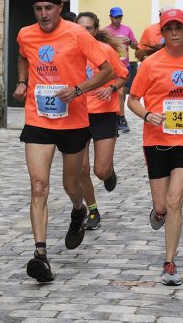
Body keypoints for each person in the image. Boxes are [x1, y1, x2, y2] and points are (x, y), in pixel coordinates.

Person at [13, 0, 113, 283]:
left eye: (48, 8)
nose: (43, 14)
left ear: (60, 7)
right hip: (38, 120)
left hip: (73, 122)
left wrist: (79, 89)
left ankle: (78, 210)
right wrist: (22, 82)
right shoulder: (25, 34)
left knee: (71, 183)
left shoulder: (78, 34)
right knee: (39, 186)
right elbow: (23, 56)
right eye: (38, 9)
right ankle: (40, 255)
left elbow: (106, 70)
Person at [127, 8, 183, 286]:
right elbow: (133, 99)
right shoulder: (150, 64)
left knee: (175, 200)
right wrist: (147, 115)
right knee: (162, 205)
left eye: (179, 27)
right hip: (156, 140)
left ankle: (170, 262)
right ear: (162, 33)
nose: (174, 32)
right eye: (169, 28)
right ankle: (159, 212)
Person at [75, 12, 129, 230]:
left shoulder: (105, 50)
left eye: (88, 28)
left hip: (103, 113)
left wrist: (111, 88)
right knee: (81, 168)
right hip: (77, 114)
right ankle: (93, 210)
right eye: (79, 27)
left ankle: (109, 171)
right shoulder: (70, 52)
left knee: (100, 170)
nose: (83, 32)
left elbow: (122, 75)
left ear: (95, 30)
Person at [104, 7, 138, 133]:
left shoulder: (127, 29)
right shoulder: (105, 31)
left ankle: (119, 116)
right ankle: (120, 118)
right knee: (119, 91)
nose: (118, 20)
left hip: (125, 66)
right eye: (115, 17)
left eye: (120, 17)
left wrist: (129, 42)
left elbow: (136, 46)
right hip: (111, 66)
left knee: (121, 92)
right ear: (110, 17)